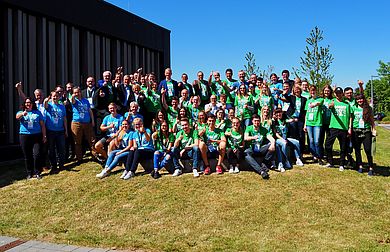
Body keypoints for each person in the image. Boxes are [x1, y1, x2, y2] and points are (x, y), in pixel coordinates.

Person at [16, 97, 46, 179]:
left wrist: (44, 135)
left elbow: (42, 125)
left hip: (36, 135)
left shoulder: (37, 112)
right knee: (27, 155)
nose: (27, 104)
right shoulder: (21, 112)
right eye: (26, 103)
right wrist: (23, 114)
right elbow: (17, 117)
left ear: (32, 104)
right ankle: (29, 173)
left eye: (29, 102)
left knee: (36, 154)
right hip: (24, 136)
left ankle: (37, 172)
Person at [324, 87, 352, 171]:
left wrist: (349, 127)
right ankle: (330, 162)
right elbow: (329, 106)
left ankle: (341, 164)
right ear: (335, 94)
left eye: (340, 93)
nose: (338, 95)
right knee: (328, 145)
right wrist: (330, 105)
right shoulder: (332, 101)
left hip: (343, 128)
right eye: (337, 93)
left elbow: (350, 116)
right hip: (333, 127)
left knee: (343, 147)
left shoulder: (346, 104)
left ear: (342, 94)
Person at [244, 114, 275, 179]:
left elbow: (271, 138)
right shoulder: (249, 128)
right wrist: (253, 137)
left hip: (260, 148)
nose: (257, 122)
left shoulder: (263, 129)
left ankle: (264, 163)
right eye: (255, 121)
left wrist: (272, 144)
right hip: (251, 148)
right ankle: (261, 171)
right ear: (252, 121)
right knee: (246, 154)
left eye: (258, 121)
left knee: (272, 145)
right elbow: (245, 137)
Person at [351, 94, 376, 176]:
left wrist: (374, 129)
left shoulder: (368, 109)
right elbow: (351, 119)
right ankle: (360, 166)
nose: (359, 101)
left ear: (363, 99)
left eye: (361, 99)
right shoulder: (354, 108)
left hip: (366, 131)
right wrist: (349, 128)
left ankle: (371, 167)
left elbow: (372, 120)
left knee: (367, 149)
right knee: (357, 149)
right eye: (358, 99)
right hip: (356, 131)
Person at [44, 91, 68, 174]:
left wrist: (66, 130)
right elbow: (45, 105)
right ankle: (54, 166)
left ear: (59, 97)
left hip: (60, 131)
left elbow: (64, 118)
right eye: (54, 96)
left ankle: (61, 165)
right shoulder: (49, 105)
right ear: (51, 97)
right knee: (51, 150)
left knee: (61, 149)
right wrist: (46, 100)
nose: (55, 97)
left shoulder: (62, 106)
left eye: (57, 96)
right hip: (50, 131)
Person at [70, 87, 96, 165]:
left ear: (80, 92)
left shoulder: (86, 101)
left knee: (92, 140)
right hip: (77, 123)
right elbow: (72, 100)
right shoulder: (74, 101)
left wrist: (93, 121)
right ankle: (79, 158)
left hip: (87, 123)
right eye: (75, 92)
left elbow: (90, 111)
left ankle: (95, 155)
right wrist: (73, 96)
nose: (77, 94)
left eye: (78, 92)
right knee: (77, 141)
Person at [304, 86, 324, 164]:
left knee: (316, 141)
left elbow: (319, 103)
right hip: (309, 123)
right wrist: (305, 125)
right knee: (311, 141)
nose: (312, 92)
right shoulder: (308, 101)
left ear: (316, 91)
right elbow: (306, 113)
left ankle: (319, 157)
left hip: (317, 123)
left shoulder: (320, 99)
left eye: (314, 91)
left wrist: (315, 104)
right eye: (311, 91)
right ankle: (314, 156)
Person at [320, 84, 333, 158]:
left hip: (330, 123)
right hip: (321, 122)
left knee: (328, 141)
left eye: (328, 91)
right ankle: (321, 155)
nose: (326, 92)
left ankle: (328, 155)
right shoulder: (321, 99)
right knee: (320, 140)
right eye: (325, 91)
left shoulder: (333, 100)